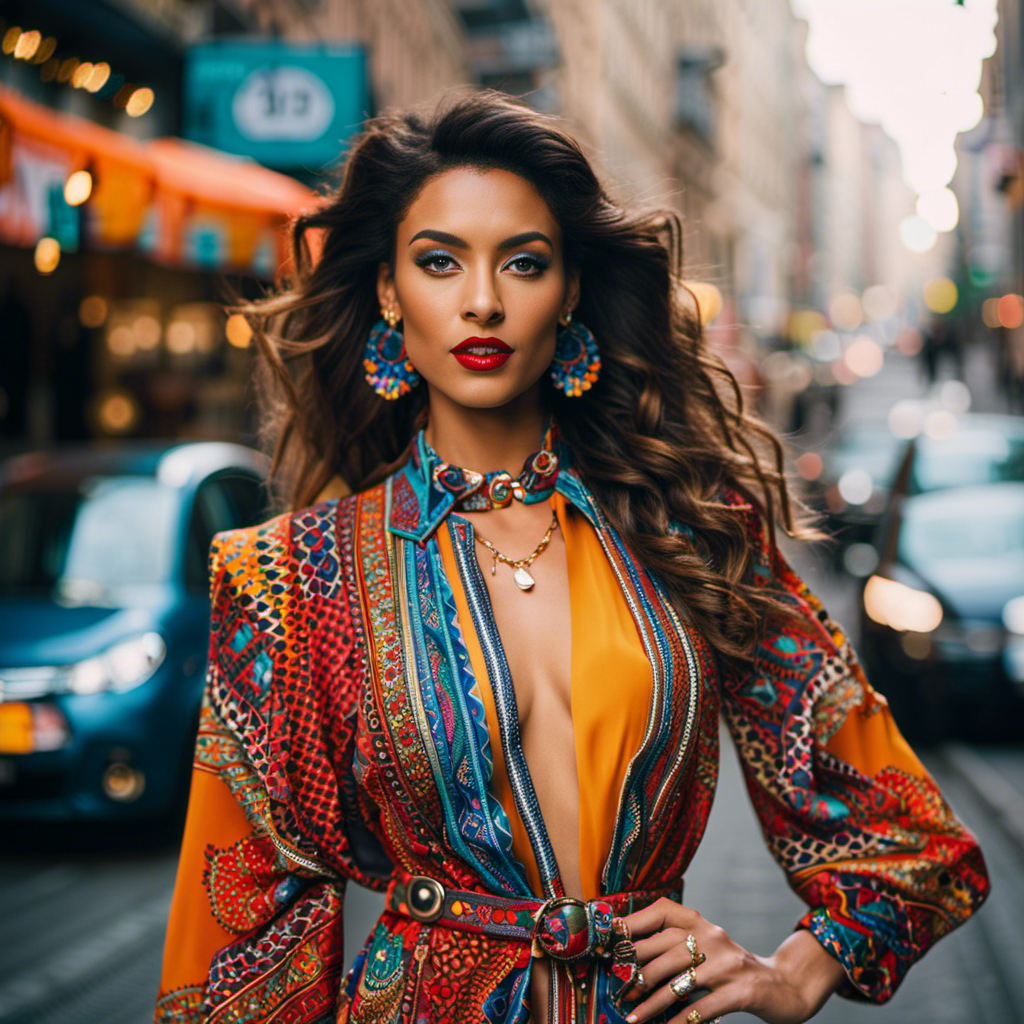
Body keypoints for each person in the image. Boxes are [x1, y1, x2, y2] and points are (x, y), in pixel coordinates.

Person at [154, 91, 989, 1024]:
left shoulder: (692, 531)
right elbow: (243, 947)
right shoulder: (292, 578)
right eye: (439, 262)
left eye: (523, 262)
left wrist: (797, 969)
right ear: (389, 291)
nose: (482, 299)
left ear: (572, 290)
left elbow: (909, 834)